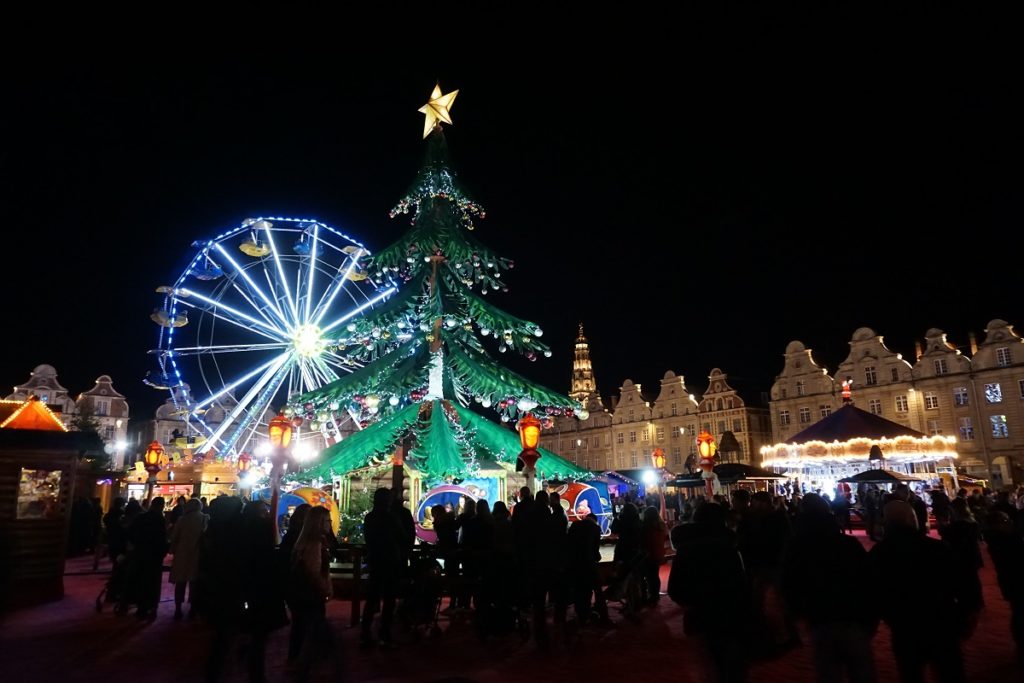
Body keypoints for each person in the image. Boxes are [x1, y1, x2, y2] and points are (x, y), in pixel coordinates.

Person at [870, 500, 980, 683]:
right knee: (950, 671)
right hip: (940, 621)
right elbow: (962, 581)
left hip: (903, 625)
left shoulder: (879, 553)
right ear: (911, 519)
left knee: (911, 673)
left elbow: (873, 591)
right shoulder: (935, 548)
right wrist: (968, 611)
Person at [782, 494, 878, 683]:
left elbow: (790, 581)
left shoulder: (798, 546)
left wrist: (798, 611)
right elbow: (868, 578)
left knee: (828, 671)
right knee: (862, 672)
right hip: (852, 614)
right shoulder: (847, 543)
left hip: (820, 616)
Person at [669, 502, 751, 683]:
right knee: (731, 662)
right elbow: (740, 581)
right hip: (729, 612)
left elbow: (675, 586)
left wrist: (689, 603)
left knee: (707, 664)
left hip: (698, 613)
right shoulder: (728, 546)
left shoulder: (686, 548)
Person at [288, 506, 336, 677]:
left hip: (300, 593)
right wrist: (324, 588)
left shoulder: (305, 541)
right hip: (310, 594)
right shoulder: (315, 543)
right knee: (312, 629)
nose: (330, 524)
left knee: (301, 627)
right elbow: (313, 571)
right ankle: (305, 664)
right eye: (327, 521)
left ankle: (297, 660)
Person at [360, 487, 404, 648]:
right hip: (390, 561)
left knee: (372, 599)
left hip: (375, 561)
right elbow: (402, 537)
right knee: (389, 599)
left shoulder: (370, 517)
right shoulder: (391, 518)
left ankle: (365, 632)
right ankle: (384, 633)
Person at [127, 496, 168, 619]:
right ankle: (152, 607)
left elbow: (131, 534)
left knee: (141, 580)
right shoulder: (160, 520)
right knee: (152, 582)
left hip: (140, 553)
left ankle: (141, 607)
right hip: (154, 556)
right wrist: (163, 552)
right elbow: (162, 539)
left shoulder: (141, 517)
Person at [169, 497, 206, 620]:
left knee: (180, 583)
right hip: (197, 553)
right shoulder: (204, 518)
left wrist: (173, 550)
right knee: (194, 584)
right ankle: (192, 609)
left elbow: (174, 537)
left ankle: (178, 609)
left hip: (181, 554)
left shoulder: (182, 520)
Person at [640, 506, 668, 605]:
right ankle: (655, 595)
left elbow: (644, 541)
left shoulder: (646, 526)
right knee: (654, 575)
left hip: (649, 554)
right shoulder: (661, 525)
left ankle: (652, 596)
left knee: (649, 576)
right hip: (659, 552)